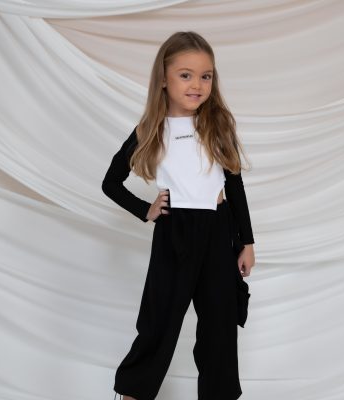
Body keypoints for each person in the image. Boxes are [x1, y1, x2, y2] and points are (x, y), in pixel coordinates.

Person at [102, 31, 256, 400]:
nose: (197, 85)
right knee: (160, 322)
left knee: (220, 326)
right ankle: (132, 394)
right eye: (185, 75)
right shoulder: (151, 130)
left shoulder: (217, 126)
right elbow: (111, 183)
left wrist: (247, 242)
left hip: (218, 231)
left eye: (206, 76)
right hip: (175, 232)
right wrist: (146, 210)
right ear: (163, 78)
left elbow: (235, 186)